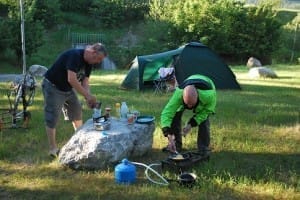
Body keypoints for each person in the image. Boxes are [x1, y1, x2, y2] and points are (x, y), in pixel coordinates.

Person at [42, 43, 107, 157]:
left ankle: (80, 139)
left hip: (67, 88)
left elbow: (85, 82)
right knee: (52, 116)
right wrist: (87, 95)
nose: (98, 62)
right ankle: (53, 148)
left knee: (77, 111)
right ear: (93, 52)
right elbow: (71, 79)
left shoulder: (89, 63)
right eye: (98, 59)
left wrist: (88, 97)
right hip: (53, 86)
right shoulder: (75, 56)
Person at [160, 74, 216, 156]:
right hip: (188, 84)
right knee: (175, 115)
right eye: (187, 104)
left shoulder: (209, 96)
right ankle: (175, 144)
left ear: (198, 98)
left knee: (204, 120)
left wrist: (191, 124)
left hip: (207, 85)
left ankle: (203, 148)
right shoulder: (178, 94)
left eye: (192, 105)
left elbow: (207, 111)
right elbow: (167, 113)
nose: (189, 107)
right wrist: (168, 134)